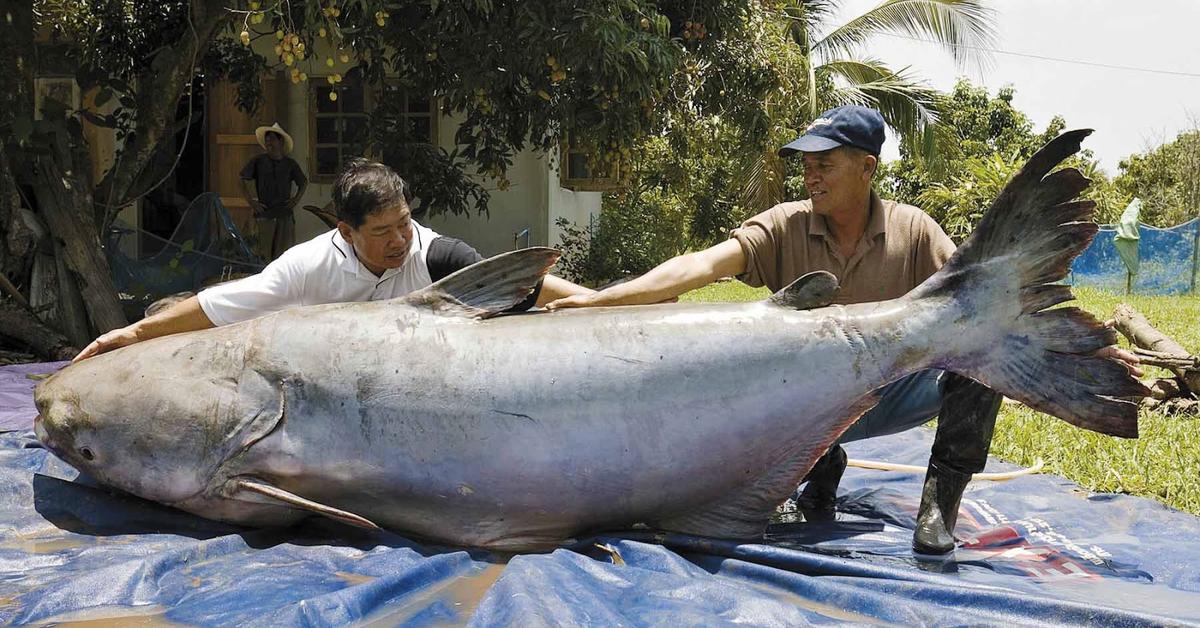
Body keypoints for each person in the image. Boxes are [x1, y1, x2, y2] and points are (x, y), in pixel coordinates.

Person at [546, 105, 1140, 554]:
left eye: (824, 164)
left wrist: (1068, 349)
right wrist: (602, 299)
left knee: (975, 349)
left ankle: (941, 502)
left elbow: (981, 307)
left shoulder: (915, 231)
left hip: (892, 391)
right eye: (806, 165)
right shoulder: (784, 226)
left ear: (866, 168)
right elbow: (699, 267)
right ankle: (815, 470)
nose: (811, 176)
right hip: (799, 403)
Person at [75, 158, 592, 362]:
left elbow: (522, 285)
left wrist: (602, 302)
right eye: (383, 231)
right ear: (345, 231)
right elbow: (218, 307)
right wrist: (135, 335)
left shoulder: (437, 256)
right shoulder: (305, 269)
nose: (400, 240)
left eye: (405, 223)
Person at [241, 123, 308, 260]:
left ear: (280, 141)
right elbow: (241, 179)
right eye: (267, 140)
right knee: (263, 254)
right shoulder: (258, 161)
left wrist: (295, 200)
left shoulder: (290, 164)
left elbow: (303, 182)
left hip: (284, 214)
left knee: (284, 255)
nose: (268, 143)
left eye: (272, 139)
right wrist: (252, 202)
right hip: (265, 214)